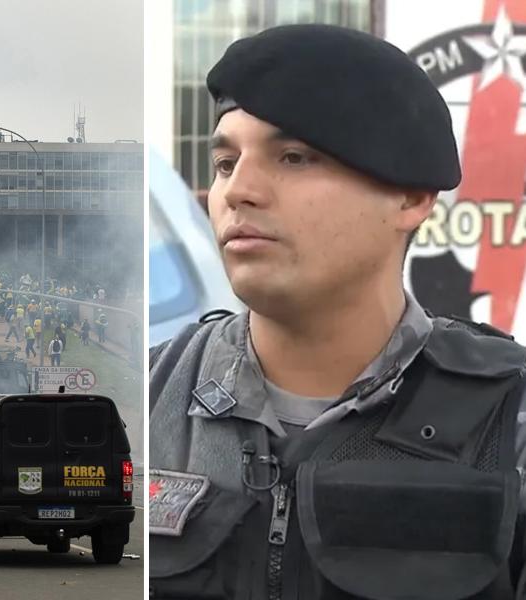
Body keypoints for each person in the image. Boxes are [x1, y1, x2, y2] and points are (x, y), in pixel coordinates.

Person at [149, 25, 526, 597]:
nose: (237, 191)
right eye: (226, 162)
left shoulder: (509, 420)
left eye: (295, 157)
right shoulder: (147, 400)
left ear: (409, 195)